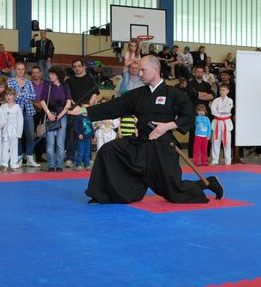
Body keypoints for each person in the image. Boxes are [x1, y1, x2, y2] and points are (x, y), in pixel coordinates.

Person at [66, 55, 223, 204]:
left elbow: (189, 116)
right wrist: (82, 111)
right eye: (138, 70)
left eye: (143, 70)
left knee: (175, 192)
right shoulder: (138, 94)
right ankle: (104, 194)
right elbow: (115, 106)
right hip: (140, 143)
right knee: (108, 150)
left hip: (162, 146)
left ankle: (208, 183)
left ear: (155, 69)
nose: (139, 73)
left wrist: (167, 126)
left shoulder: (173, 93)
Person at [64, 59, 99, 168]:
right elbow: (67, 96)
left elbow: (95, 94)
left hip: (86, 111)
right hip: (74, 110)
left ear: (84, 67)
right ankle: (70, 158)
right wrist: (75, 107)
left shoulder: (90, 79)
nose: (77, 68)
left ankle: (87, 158)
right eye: (75, 66)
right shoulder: (69, 81)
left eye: (79, 66)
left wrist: (87, 107)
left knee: (87, 134)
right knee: (72, 134)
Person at [40, 66, 72, 172]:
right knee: (50, 143)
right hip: (50, 115)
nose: (50, 76)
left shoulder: (65, 85)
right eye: (50, 74)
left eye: (52, 74)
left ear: (58, 75)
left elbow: (68, 101)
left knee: (60, 143)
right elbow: (42, 101)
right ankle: (50, 165)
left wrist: (61, 115)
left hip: (62, 116)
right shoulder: (47, 85)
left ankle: (59, 165)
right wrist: (48, 113)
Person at [8, 62, 39, 167]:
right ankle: (18, 158)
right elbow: (12, 96)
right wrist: (25, 96)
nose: (20, 71)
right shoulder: (10, 81)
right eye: (18, 69)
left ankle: (30, 158)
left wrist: (21, 94)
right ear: (14, 70)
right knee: (18, 136)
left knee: (30, 135)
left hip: (28, 111)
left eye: (22, 69)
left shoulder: (28, 82)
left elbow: (33, 96)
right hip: (16, 112)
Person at [186, 65, 214, 158]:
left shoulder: (206, 84)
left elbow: (212, 96)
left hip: (205, 113)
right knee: (194, 133)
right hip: (194, 112)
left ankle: (206, 155)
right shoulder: (190, 83)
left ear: (203, 73)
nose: (199, 73)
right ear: (195, 72)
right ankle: (192, 155)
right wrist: (205, 95)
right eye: (198, 71)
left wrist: (199, 95)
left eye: (201, 72)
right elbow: (192, 95)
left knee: (206, 133)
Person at [1, 88, 24, 172]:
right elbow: (0, 119)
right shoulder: (2, 106)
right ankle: (4, 164)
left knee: (14, 148)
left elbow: (20, 121)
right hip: (5, 130)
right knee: (4, 147)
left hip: (14, 130)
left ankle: (14, 164)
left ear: (14, 96)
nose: (8, 97)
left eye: (10, 95)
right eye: (7, 95)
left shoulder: (17, 107)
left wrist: (19, 133)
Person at [210, 83, 234, 166]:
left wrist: (218, 109)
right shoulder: (216, 100)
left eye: (223, 90)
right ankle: (214, 160)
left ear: (227, 91)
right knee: (215, 141)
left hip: (226, 123)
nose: (221, 91)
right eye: (220, 90)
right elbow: (212, 110)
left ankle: (228, 161)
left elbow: (227, 110)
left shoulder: (230, 100)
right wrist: (220, 110)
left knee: (227, 142)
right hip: (217, 122)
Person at [72, 103, 94, 171]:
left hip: (88, 138)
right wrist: (78, 134)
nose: (85, 109)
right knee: (80, 152)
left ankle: (86, 165)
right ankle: (78, 164)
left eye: (87, 108)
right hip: (81, 138)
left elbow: (91, 127)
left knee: (87, 152)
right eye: (84, 108)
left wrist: (93, 136)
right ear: (81, 109)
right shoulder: (78, 117)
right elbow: (75, 127)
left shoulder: (89, 117)